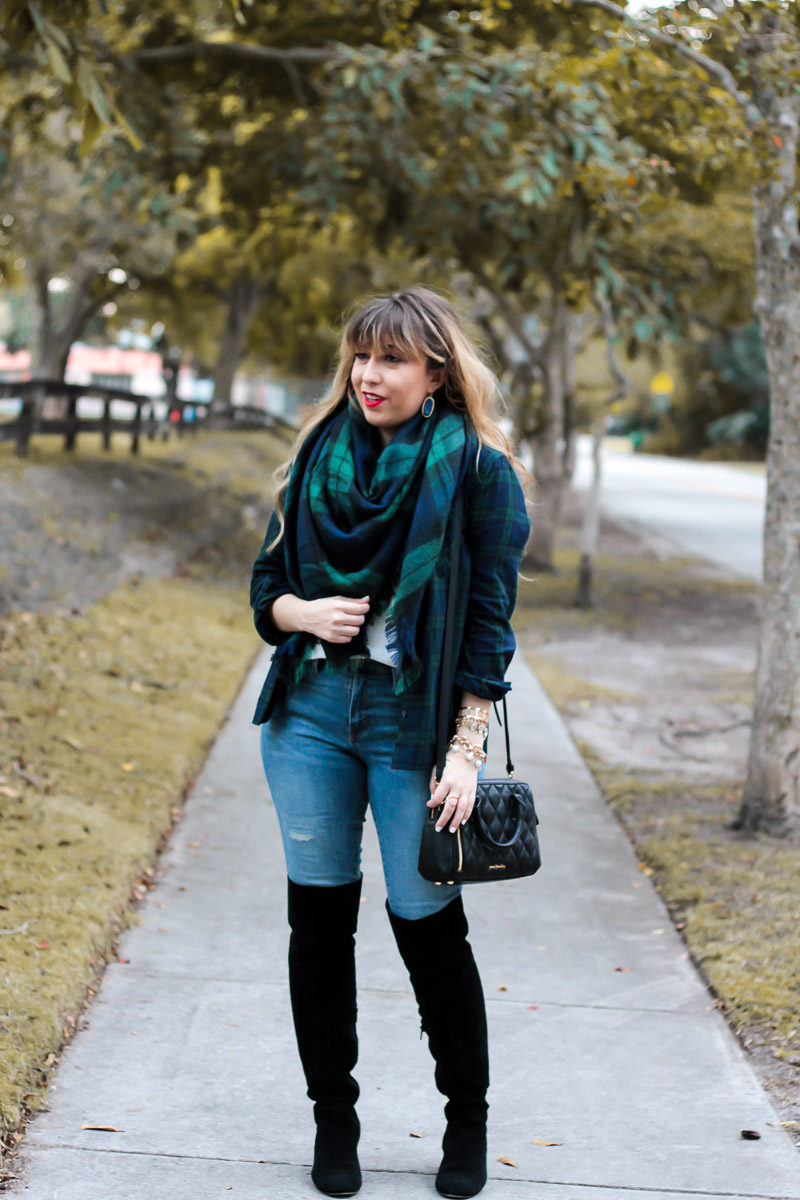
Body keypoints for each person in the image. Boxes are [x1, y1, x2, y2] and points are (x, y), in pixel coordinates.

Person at [250, 287, 530, 1199]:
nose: (370, 375)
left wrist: (466, 747)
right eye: (362, 355)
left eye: (393, 359)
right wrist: (303, 611)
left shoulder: (481, 472)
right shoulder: (316, 455)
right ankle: (335, 1118)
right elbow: (265, 588)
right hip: (312, 716)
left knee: (428, 928)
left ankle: (467, 1120)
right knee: (319, 929)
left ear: (436, 373)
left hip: (414, 726)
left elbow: (489, 623)